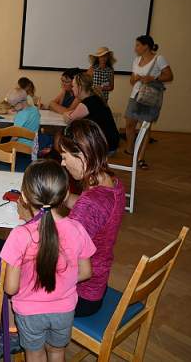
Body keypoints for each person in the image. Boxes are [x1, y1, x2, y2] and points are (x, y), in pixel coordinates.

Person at [1, 159, 95, 362]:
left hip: (29, 312)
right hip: (64, 309)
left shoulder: (19, 235)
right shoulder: (77, 229)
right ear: (66, 195)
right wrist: (62, 279)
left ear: (24, 197)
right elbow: (86, 272)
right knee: (57, 352)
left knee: (34, 354)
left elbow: (10, 288)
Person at [59, 119, 126, 317]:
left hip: (80, 295)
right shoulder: (111, 182)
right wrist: (62, 197)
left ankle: (13, 328)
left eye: (64, 156)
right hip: (98, 283)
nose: (62, 163)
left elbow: (60, 258)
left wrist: (33, 217)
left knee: (4, 259)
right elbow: (92, 211)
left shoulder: (91, 204)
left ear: (82, 155)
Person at [125, 35, 174, 169]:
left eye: (138, 45)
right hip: (135, 95)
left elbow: (169, 76)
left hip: (149, 97)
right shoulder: (136, 60)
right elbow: (131, 80)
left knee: (145, 127)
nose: (135, 48)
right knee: (129, 124)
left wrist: (153, 78)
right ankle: (130, 150)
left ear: (146, 46)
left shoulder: (159, 58)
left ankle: (141, 157)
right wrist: (135, 78)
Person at [64, 72, 120, 154]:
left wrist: (65, 114)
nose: (72, 88)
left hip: (106, 146)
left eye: (73, 86)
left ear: (80, 88)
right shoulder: (94, 98)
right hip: (110, 143)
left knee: (67, 138)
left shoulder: (87, 103)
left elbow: (68, 120)